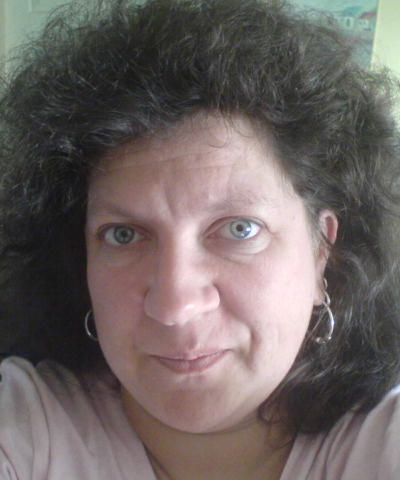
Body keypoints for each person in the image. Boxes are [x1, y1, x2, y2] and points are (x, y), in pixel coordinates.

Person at [0, 0, 399, 478]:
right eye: (123, 235)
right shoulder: (26, 426)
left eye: (239, 229)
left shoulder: (382, 439)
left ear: (321, 253)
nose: (175, 305)